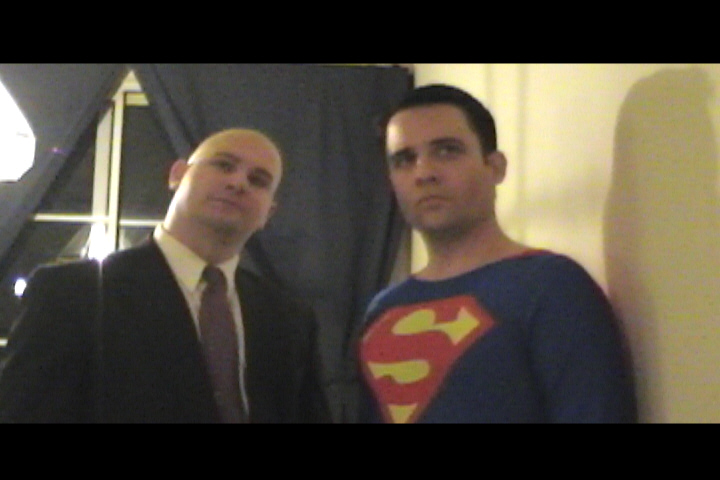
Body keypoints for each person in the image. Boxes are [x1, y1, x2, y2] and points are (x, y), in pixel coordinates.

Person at [0, 128, 331, 423]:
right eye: (223, 165)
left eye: (258, 180)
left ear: (268, 213)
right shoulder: (73, 293)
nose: (238, 182)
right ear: (177, 175)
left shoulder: (290, 319)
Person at [356, 85, 637, 423]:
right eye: (404, 160)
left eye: (446, 151)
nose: (424, 173)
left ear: (495, 166)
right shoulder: (382, 311)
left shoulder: (552, 287)